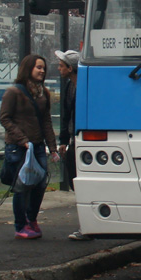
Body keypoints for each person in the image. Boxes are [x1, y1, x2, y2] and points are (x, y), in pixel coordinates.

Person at [0, 54, 58, 240]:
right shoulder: (14, 92)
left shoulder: (44, 93)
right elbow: (5, 118)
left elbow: (46, 121)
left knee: (40, 183)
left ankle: (31, 219)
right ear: (28, 69)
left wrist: (53, 147)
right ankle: (20, 225)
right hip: (19, 147)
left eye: (43, 68)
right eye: (38, 67)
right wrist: (22, 138)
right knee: (22, 186)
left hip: (38, 146)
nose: (42, 71)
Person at [55, 49, 88, 241]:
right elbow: (66, 115)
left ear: (71, 68)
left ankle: (86, 225)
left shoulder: (84, 86)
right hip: (74, 139)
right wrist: (63, 140)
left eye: (62, 65)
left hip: (82, 138)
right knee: (73, 178)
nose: (59, 69)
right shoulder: (70, 86)